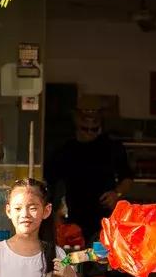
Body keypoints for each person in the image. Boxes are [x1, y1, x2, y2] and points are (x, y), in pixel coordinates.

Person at [44, 98, 133, 243]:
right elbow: (51, 182)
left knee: (102, 260)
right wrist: (56, 213)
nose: (90, 132)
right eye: (85, 128)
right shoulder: (65, 150)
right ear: (77, 126)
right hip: (73, 216)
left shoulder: (112, 147)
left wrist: (117, 193)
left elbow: (127, 177)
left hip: (104, 216)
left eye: (95, 129)